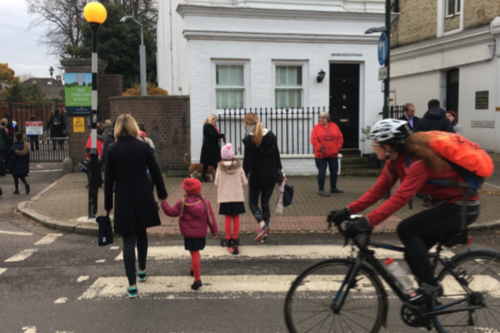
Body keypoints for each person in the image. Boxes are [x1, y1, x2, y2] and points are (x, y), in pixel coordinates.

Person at [328, 119, 480, 306]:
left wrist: (366, 222)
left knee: (406, 229)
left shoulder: (418, 163)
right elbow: (376, 192)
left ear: (388, 146)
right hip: (448, 204)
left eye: (375, 143)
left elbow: (400, 198)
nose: (373, 147)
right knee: (412, 252)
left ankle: (431, 287)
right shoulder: (394, 162)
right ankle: (428, 300)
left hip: (463, 207)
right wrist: (347, 211)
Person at [104, 114, 168, 299]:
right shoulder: (144, 146)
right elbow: (156, 172)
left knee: (128, 240)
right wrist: (162, 195)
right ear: (133, 127)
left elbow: (108, 182)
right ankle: (142, 270)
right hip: (143, 196)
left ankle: (132, 285)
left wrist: (108, 206)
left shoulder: (111, 150)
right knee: (142, 233)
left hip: (123, 198)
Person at [161, 178, 218, 290]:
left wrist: (163, 203)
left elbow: (170, 212)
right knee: (196, 252)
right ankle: (193, 269)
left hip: (188, 233)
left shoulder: (182, 203)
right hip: (201, 233)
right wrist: (214, 231)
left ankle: (197, 279)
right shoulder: (205, 202)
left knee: (194, 253)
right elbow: (211, 218)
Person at [243, 112, 284, 243]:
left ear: (248, 124)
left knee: (252, 203)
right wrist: (281, 172)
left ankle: (262, 224)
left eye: (245, 123)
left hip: (257, 177)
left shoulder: (249, 140)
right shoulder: (271, 135)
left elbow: (247, 163)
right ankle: (264, 235)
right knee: (265, 203)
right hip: (271, 175)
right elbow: (277, 155)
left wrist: (242, 177)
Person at [215, 143, 248, 254]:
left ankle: (229, 239)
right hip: (237, 196)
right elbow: (244, 182)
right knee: (236, 217)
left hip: (225, 197)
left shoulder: (220, 167)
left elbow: (216, 183)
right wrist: (238, 188)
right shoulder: (238, 166)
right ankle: (236, 239)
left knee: (228, 217)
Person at [310, 112, 344, 197]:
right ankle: (321, 189)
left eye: (322, 118)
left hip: (333, 154)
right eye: (320, 118)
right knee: (322, 172)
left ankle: (333, 188)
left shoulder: (334, 126)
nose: (320, 119)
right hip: (320, 156)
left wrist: (337, 148)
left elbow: (340, 137)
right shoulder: (316, 128)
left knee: (334, 171)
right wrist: (319, 148)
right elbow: (313, 140)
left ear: (327, 119)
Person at [200, 114, 225, 182]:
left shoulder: (206, 125)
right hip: (211, 146)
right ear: (212, 119)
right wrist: (222, 135)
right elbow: (213, 135)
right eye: (215, 120)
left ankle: (203, 176)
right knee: (216, 161)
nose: (215, 121)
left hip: (208, 145)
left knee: (207, 161)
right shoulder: (209, 126)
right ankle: (218, 177)